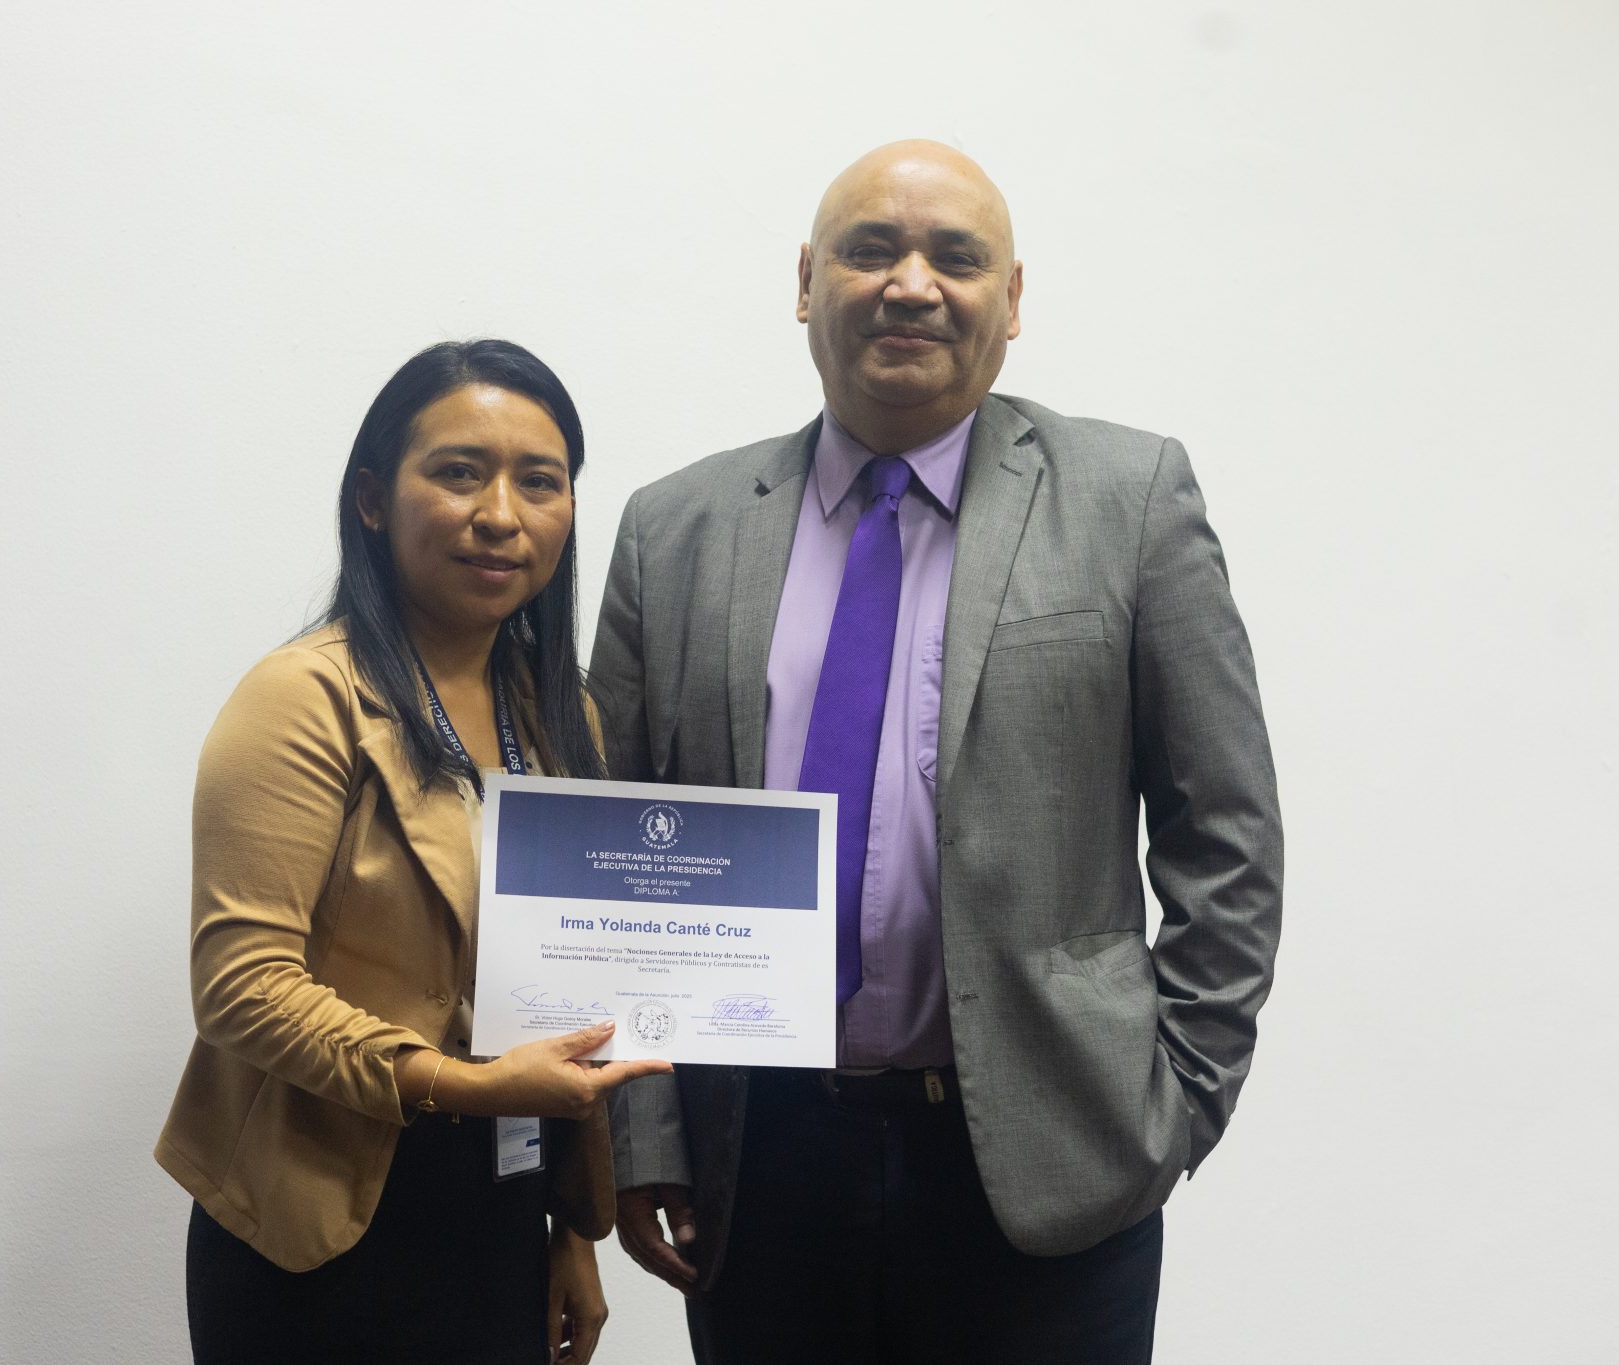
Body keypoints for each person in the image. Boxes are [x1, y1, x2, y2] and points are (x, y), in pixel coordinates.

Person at [590, 141, 1285, 1363]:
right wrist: (641, 1134)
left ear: (1009, 300)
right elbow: (615, 853)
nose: (910, 284)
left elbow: (1223, 828)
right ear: (805, 282)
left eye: (955, 259)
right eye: (869, 250)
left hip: (1049, 1157)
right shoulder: (673, 529)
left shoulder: (1128, 500)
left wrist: (1176, 1098)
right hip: (759, 1159)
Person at [156, 339, 670, 1365]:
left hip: (501, 1212)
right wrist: (469, 1087)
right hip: (314, 1229)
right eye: (458, 472)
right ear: (371, 500)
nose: (500, 513)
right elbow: (241, 988)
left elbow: (568, 987)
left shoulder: (561, 714)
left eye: (539, 481)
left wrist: (572, 1231)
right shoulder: (303, 697)